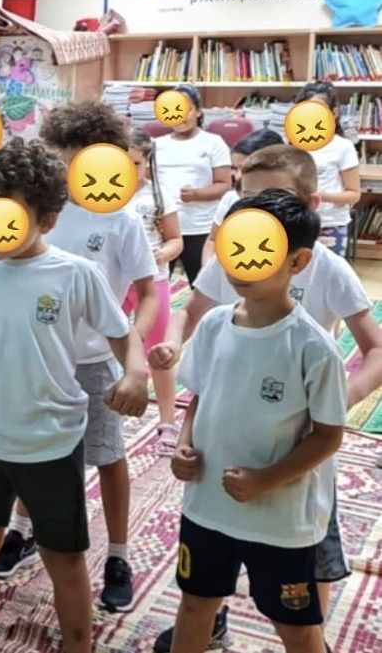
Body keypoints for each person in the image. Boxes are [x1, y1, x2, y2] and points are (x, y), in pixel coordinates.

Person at [0, 139, 149, 653]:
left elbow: (121, 333)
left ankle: (78, 644)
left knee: (63, 557)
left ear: (46, 220)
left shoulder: (76, 274)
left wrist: (135, 373)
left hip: (52, 443)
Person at [150, 144, 382, 653]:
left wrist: (333, 400)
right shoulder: (220, 310)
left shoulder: (317, 318)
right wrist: (185, 441)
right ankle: (214, 621)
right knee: (197, 600)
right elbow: (201, 385)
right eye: (246, 202)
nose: (255, 220)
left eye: (272, 202)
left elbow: (367, 364)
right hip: (212, 499)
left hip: (287, 485)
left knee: (301, 604)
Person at [1, 102, 156, 613]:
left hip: (94, 361)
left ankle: (118, 555)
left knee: (107, 456)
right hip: (39, 356)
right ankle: (21, 530)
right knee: (31, 449)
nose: (65, 170)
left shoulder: (120, 219)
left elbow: (148, 293)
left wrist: (131, 348)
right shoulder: (41, 212)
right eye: (60, 159)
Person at [126, 128, 183, 449]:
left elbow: (175, 240)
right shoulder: (99, 193)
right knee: (103, 344)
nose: (128, 169)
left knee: (157, 350)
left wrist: (162, 254)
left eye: (135, 163)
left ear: (147, 161)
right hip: (115, 282)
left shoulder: (158, 196)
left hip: (152, 280)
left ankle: (168, 420)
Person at [153, 83, 231, 285]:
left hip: (199, 227)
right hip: (163, 229)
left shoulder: (213, 142)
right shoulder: (156, 145)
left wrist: (197, 194)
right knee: (157, 284)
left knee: (203, 285)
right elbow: (146, 184)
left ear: (198, 111)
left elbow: (224, 184)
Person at [295, 82, 360, 257]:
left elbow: (354, 194)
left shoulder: (342, 146)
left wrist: (321, 196)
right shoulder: (293, 144)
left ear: (334, 113)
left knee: (327, 272)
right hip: (297, 223)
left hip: (330, 224)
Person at [201, 129, 285, 264]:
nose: (238, 176)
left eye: (246, 168)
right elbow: (212, 241)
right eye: (235, 168)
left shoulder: (288, 205)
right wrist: (207, 271)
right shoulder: (231, 199)